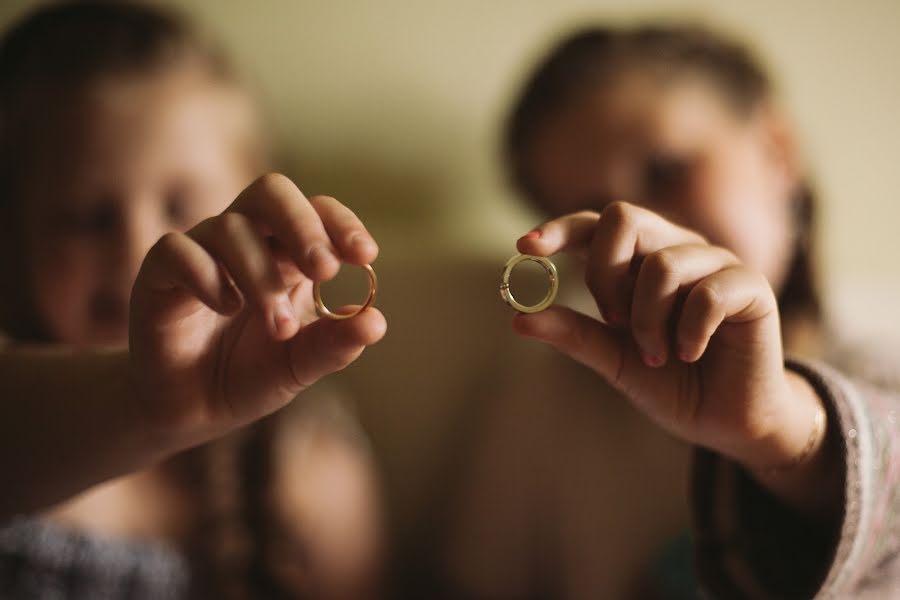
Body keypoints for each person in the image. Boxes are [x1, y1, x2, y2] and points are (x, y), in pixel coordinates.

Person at [448, 25, 900, 599]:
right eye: (592, 214)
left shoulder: (886, 365)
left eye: (666, 170)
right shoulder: (541, 407)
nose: (637, 231)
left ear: (778, 151)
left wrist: (782, 431)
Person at [0, 3, 385, 598]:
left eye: (181, 208)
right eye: (86, 219)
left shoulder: (308, 474)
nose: (138, 255)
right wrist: (145, 400)